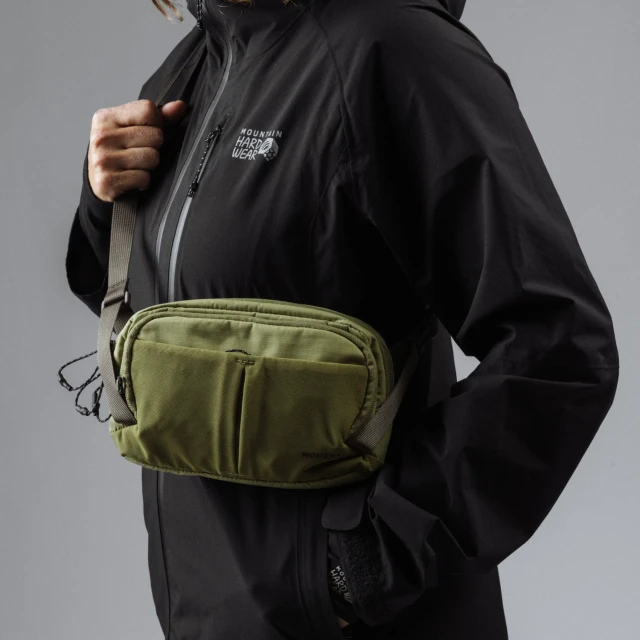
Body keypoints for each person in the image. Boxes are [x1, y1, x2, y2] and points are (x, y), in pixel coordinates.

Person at [64, 1, 620, 638]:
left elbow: (561, 345)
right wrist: (107, 203)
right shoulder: (189, 72)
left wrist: (362, 566)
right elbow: (155, 329)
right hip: (207, 613)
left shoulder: (396, 51)